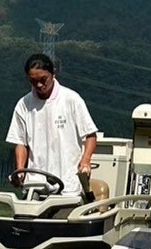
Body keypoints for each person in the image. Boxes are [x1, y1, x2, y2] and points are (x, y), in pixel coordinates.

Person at [6, 53, 97, 196]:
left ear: (53, 73)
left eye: (43, 80)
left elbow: (90, 134)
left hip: (68, 183)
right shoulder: (23, 104)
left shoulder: (71, 99)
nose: (39, 85)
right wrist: (20, 171)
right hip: (35, 183)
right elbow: (20, 142)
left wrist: (85, 161)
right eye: (33, 81)